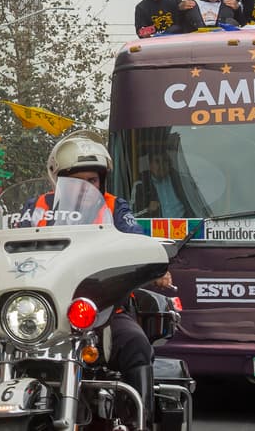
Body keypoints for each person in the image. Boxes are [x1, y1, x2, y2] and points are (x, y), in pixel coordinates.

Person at [38, 132, 161, 419]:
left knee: (135, 344)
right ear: (58, 180)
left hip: (103, 311)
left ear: (102, 180)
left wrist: (153, 261)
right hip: (44, 313)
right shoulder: (37, 207)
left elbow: (137, 240)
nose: (86, 186)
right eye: (76, 180)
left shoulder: (115, 207)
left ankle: (137, 420)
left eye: (92, 180)